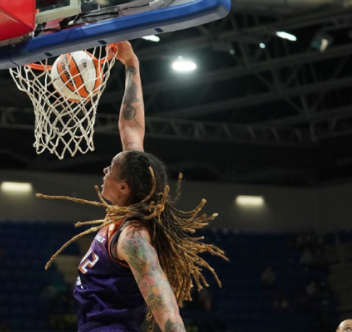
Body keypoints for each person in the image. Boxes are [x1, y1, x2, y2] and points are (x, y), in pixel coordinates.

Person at [39, 41, 227, 332]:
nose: (104, 170)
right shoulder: (122, 214)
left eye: (110, 168)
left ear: (124, 187)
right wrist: (131, 65)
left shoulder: (133, 238)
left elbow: (163, 300)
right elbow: (131, 129)